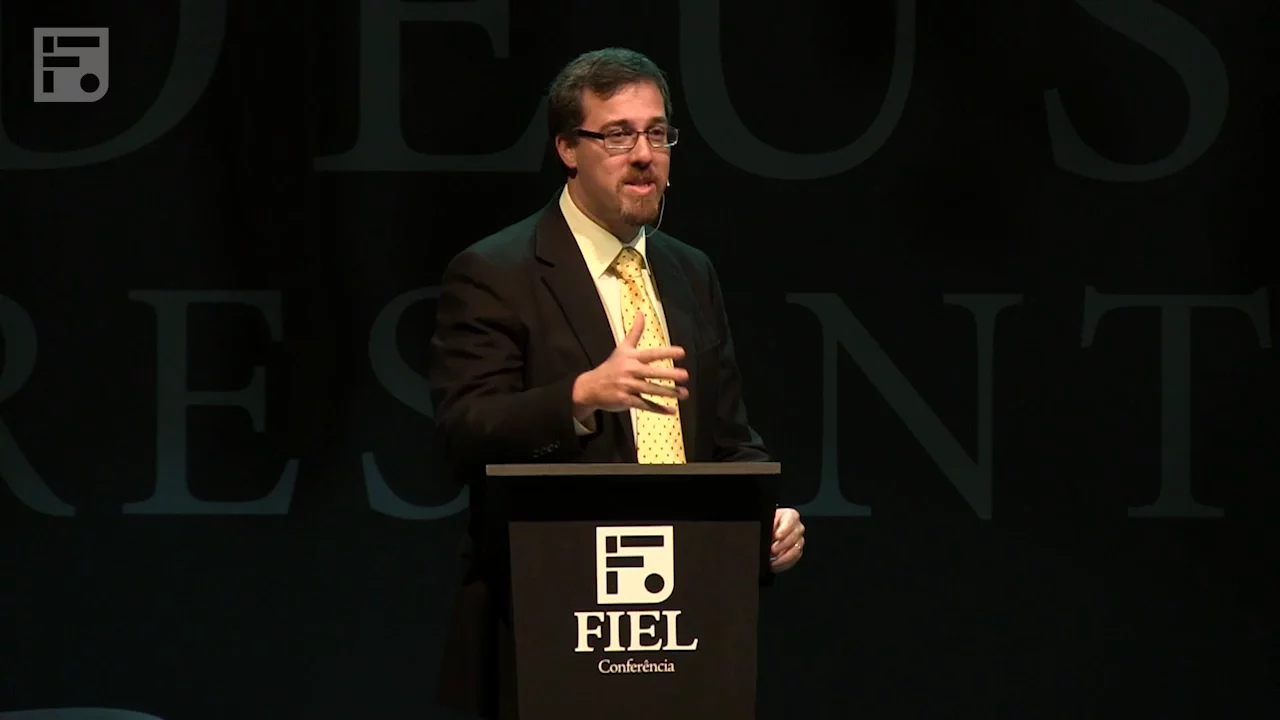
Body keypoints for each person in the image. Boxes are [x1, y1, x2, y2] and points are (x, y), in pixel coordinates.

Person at [426, 47, 806, 719]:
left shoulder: (690, 272)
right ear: (568, 149)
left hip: (683, 621)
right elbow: (465, 431)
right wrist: (580, 397)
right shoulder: (497, 271)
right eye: (618, 135)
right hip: (552, 620)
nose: (644, 155)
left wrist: (765, 515)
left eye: (657, 133)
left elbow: (727, 440)